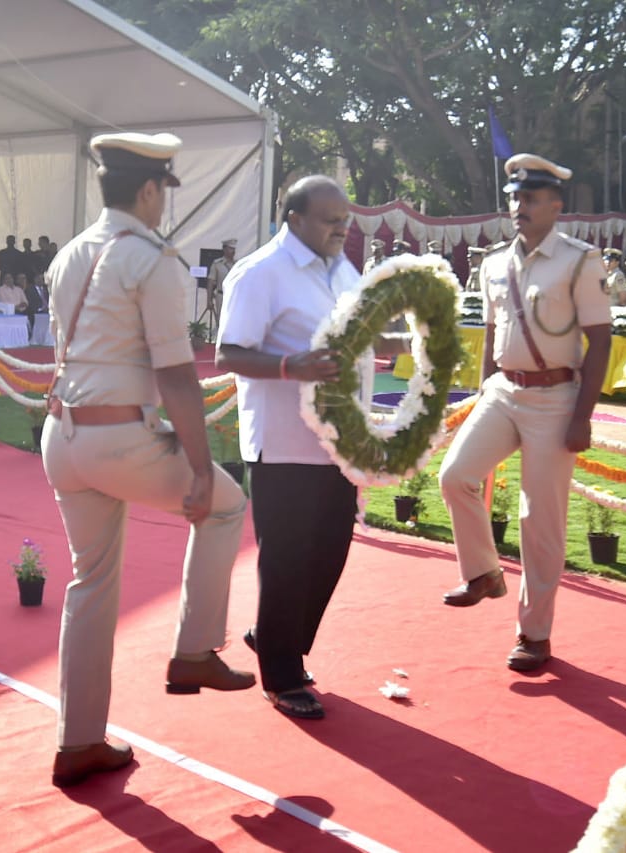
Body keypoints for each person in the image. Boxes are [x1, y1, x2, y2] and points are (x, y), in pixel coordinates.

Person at [42, 131, 253, 788]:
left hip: (62, 437)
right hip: (117, 439)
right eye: (164, 190)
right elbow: (177, 375)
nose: (164, 203)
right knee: (225, 505)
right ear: (149, 189)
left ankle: (79, 741)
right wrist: (197, 464)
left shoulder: (71, 253)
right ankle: (194, 649)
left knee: (91, 584)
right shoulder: (153, 258)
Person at [216, 175, 406, 719]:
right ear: (293, 218)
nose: (340, 228)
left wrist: (389, 344)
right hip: (283, 444)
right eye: (329, 219)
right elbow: (229, 353)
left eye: (344, 219)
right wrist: (287, 366)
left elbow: (354, 333)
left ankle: (274, 635)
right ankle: (281, 674)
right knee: (286, 560)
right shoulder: (260, 274)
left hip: (341, 443)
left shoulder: (342, 269)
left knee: (329, 554)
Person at [438, 153, 611, 672]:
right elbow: (493, 330)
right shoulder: (494, 261)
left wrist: (582, 415)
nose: (519, 206)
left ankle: (534, 634)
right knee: (455, 476)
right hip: (503, 393)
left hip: (556, 400)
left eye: (530, 198)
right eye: (514, 197)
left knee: (540, 521)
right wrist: (484, 383)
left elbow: (600, 340)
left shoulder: (580, 261)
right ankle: (484, 573)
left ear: (556, 206)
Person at [205, 238, 237, 336]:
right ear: (224, 249)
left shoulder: (238, 264)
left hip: (235, 297)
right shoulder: (217, 264)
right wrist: (209, 300)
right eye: (230, 248)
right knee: (221, 321)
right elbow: (210, 282)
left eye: (234, 249)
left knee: (233, 321)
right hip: (221, 296)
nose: (233, 251)